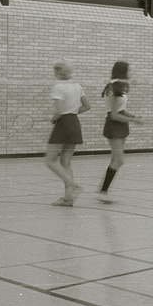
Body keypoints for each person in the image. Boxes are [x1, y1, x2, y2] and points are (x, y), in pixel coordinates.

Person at [99, 61, 144, 203]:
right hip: (114, 125)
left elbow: (121, 109)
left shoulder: (121, 86)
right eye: (129, 70)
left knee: (115, 160)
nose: (131, 73)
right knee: (119, 160)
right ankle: (102, 191)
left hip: (121, 125)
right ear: (122, 71)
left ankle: (103, 192)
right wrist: (133, 120)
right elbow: (114, 115)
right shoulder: (113, 88)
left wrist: (133, 116)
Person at [45, 61, 90, 206]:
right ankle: (68, 198)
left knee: (50, 160)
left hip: (63, 124)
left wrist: (54, 118)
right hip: (74, 123)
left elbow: (58, 111)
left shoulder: (58, 87)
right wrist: (72, 112)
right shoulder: (77, 86)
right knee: (65, 162)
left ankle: (72, 185)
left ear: (58, 73)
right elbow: (87, 106)